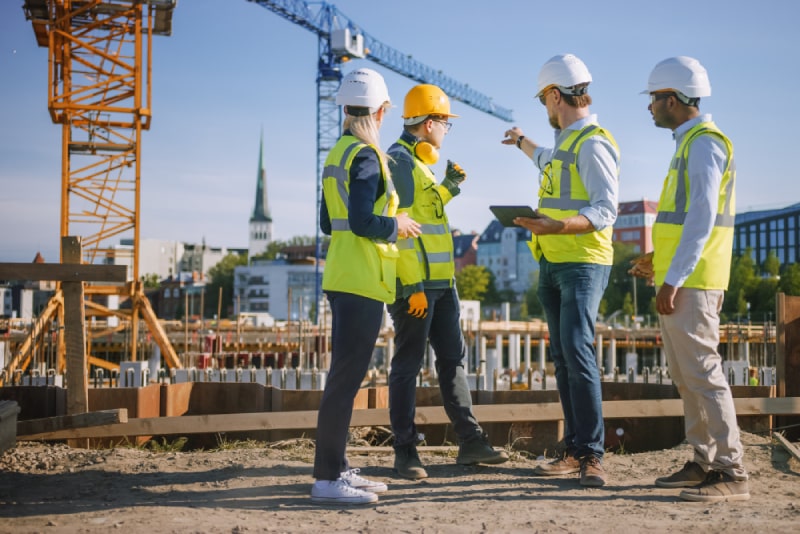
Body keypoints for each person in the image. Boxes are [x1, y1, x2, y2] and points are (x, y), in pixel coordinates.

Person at [630, 56, 749, 502]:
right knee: (686, 375)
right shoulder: (689, 143)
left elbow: (701, 219)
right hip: (685, 276)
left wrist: (672, 278)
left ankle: (731, 471)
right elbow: (685, 221)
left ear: (675, 100)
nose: (650, 108)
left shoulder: (703, 143)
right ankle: (703, 460)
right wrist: (656, 258)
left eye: (655, 99)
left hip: (694, 281)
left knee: (703, 373)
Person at [501, 53, 620, 487]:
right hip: (552, 263)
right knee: (564, 357)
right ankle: (574, 449)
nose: (545, 109)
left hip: (584, 263)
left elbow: (607, 208)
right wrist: (521, 142)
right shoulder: (567, 142)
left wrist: (557, 226)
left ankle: (592, 454)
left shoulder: (592, 142)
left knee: (578, 351)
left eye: (544, 102)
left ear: (556, 96)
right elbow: (544, 159)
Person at [311, 68, 422, 505]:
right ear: (381, 110)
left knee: (344, 377)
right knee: (345, 380)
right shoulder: (366, 155)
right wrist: (396, 223)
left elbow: (328, 222)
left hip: (343, 276)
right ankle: (326, 479)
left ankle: (336, 468)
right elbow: (361, 222)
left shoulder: (338, 152)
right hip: (361, 281)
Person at [386, 84, 508, 479]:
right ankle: (405, 452)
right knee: (406, 366)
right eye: (445, 124)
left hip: (443, 285)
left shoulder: (420, 165)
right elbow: (401, 229)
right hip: (417, 289)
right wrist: (412, 286)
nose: (446, 131)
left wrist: (449, 188)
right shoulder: (401, 162)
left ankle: (471, 443)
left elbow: (427, 214)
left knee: (453, 362)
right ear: (429, 122)